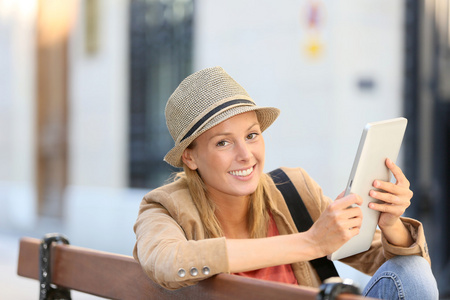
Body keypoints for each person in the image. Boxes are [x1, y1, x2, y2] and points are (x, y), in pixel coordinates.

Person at [133, 66, 438, 299]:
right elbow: (167, 261)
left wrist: (390, 224)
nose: (245, 155)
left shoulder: (293, 189)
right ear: (190, 158)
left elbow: (385, 269)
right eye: (223, 143)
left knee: (413, 271)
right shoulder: (165, 207)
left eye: (252, 136)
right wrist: (311, 242)